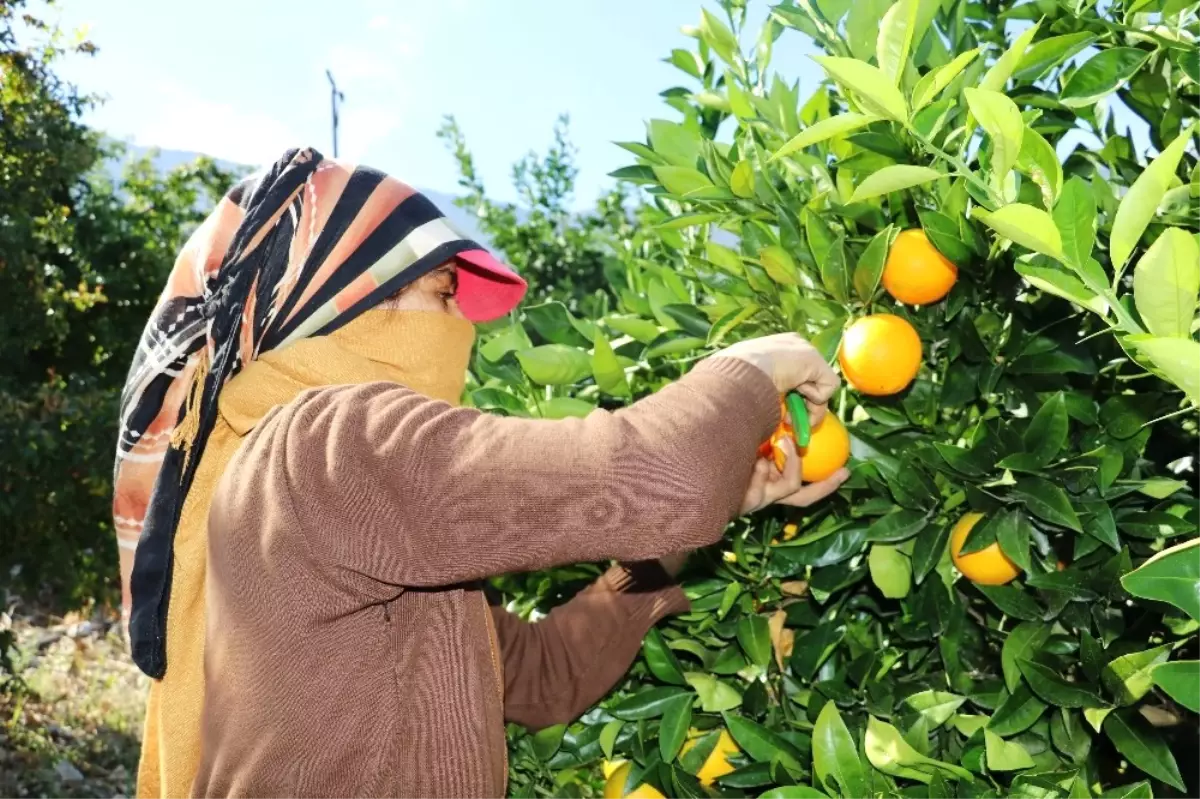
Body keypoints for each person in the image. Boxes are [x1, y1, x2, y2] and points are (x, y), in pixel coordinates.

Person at [113, 148, 847, 798]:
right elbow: (660, 473)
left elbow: (537, 672)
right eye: (439, 293)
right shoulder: (327, 445)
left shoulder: (299, 479)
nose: (458, 325)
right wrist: (752, 368)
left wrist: (690, 525)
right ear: (348, 301)